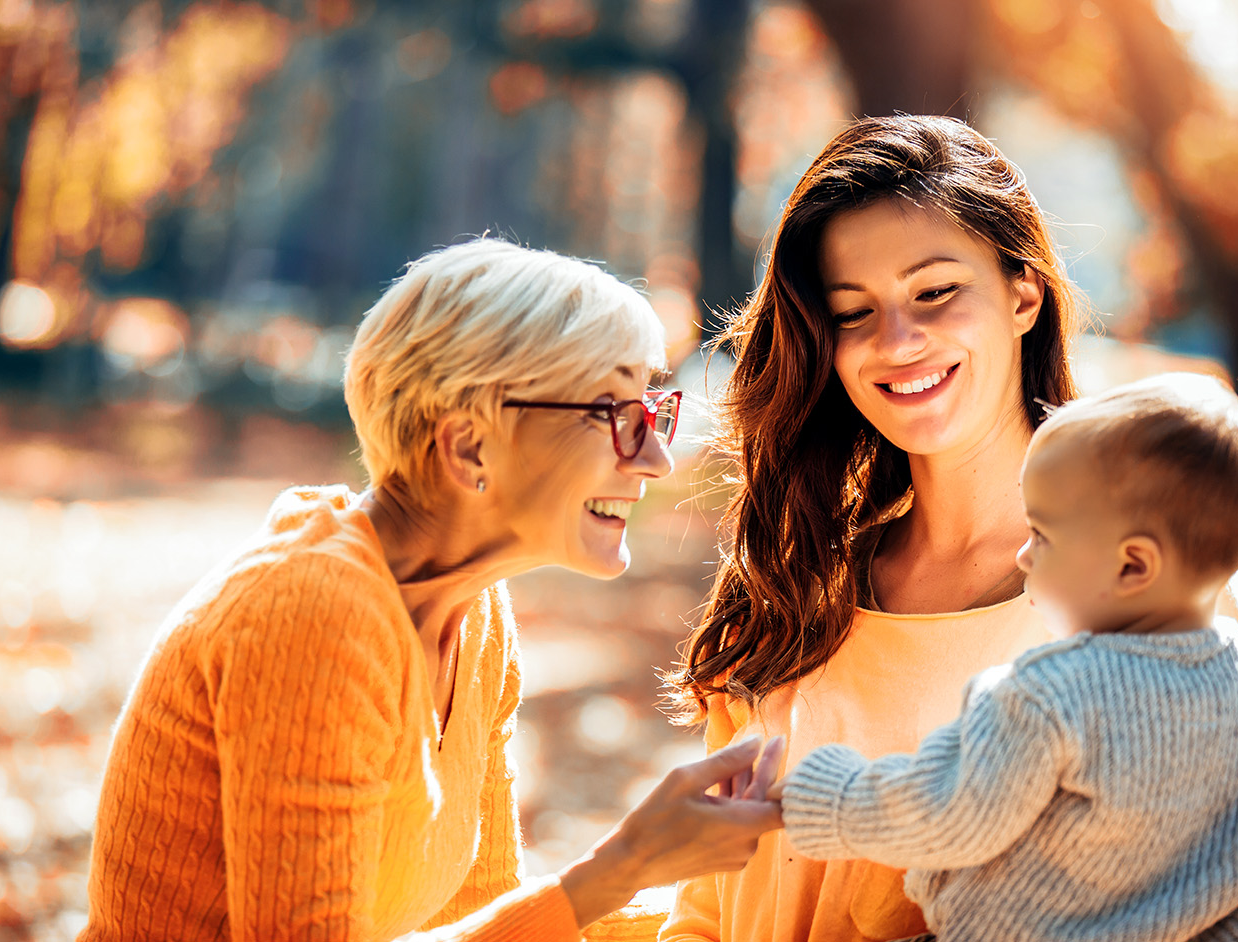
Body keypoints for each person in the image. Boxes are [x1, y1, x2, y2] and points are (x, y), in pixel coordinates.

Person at [662, 115, 1238, 942]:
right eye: (852, 312)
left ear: (1024, 294)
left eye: (936, 292)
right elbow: (709, 901)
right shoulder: (798, 577)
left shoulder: (1146, 578)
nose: (897, 342)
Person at [80, 238, 787, 942]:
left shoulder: (474, 614)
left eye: (650, 409)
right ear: (469, 445)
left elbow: (486, 922)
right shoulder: (314, 615)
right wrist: (621, 869)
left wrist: (725, 913)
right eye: (611, 411)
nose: (657, 459)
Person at [774, 374, 1238, 941]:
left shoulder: (1048, 694)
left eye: (1043, 535)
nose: (1022, 554)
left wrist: (821, 793)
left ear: (1133, 565)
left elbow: (949, 811)